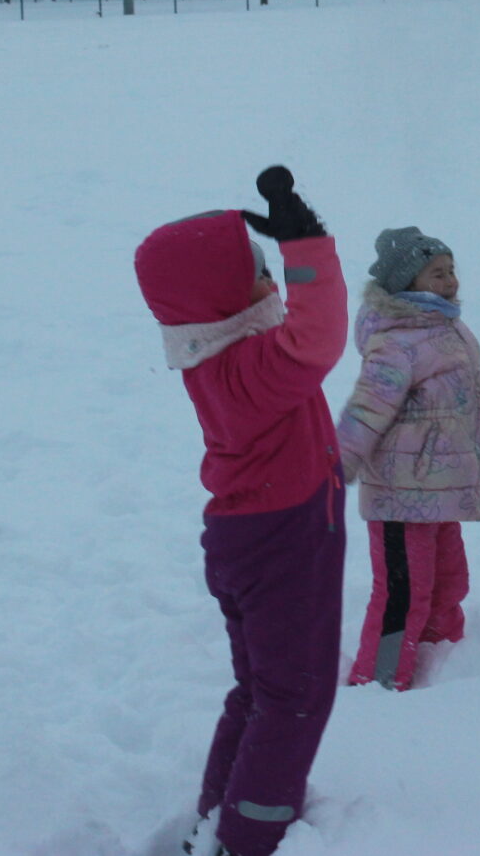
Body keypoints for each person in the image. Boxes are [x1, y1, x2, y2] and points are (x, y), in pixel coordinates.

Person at [132, 167, 348, 856]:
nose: (271, 280)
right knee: (296, 695)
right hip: (284, 540)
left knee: (260, 689)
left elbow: (297, 334)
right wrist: (306, 248)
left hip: (248, 537)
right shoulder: (254, 367)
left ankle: (219, 816)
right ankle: (251, 835)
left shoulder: (219, 359)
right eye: (258, 272)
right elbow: (318, 335)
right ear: (221, 298)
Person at [338, 227, 480, 691]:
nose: (450, 281)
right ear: (407, 282)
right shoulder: (397, 340)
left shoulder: (448, 327)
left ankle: (441, 662)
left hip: (440, 488)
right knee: (402, 595)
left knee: (448, 583)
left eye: (451, 270)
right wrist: (338, 463)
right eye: (436, 274)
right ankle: (380, 681)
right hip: (401, 494)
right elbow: (368, 407)